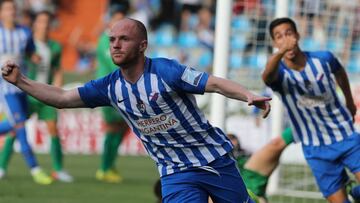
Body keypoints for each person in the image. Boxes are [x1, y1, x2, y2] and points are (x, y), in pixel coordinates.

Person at [1, 18, 271, 202]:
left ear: (142, 46)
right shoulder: (109, 86)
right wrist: (20, 81)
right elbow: (61, 97)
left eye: (124, 39)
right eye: (112, 39)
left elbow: (211, 83)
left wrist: (247, 94)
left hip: (213, 159)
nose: (115, 45)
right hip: (174, 170)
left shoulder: (166, 71)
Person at [262, 17, 360, 203]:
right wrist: (281, 51)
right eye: (279, 36)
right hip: (315, 148)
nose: (285, 39)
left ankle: (356, 193)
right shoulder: (279, 74)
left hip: (345, 135)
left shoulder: (323, 59)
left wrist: (349, 100)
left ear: (297, 36)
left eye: (288, 33)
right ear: (275, 43)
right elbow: (267, 77)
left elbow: (340, 72)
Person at [0, 0, 52, 185]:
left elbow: (30, 51)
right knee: (20, 125)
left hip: (21, 85)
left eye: (13, 8)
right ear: (1, 13)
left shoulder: (24, 32)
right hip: (4, 88)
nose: (11, 12)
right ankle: (35, 169)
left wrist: (34, 57)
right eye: (7, 9)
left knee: (16, 124)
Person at [95, 5, 128, 183]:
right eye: (116, 19)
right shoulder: (106, 39)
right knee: (113, 127)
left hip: (119, 88)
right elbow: (113, 64)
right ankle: (104, 168)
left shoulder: (122, 40)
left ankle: (109, 163)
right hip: (107, 88)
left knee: (123, 126)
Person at [228, 128, 294, 203]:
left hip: (249, 179)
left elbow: (276, 144)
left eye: (233, 139)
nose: (232, 142)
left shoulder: (244, 155)